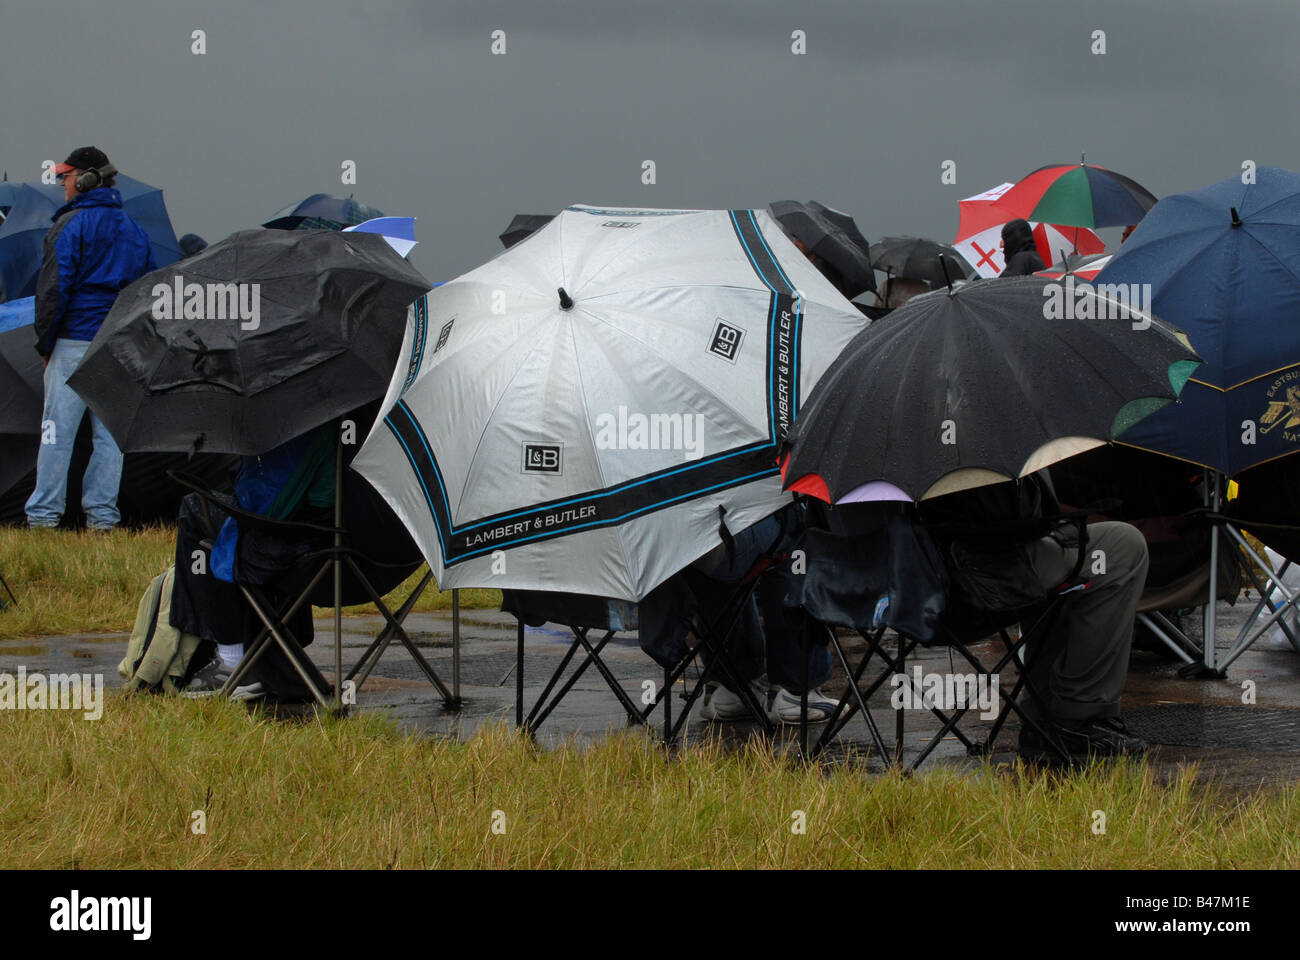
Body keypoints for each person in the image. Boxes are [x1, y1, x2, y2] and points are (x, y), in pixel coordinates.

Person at [919, 471, 1149, 761]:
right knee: (1122, 545)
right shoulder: (968, 443)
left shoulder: (865, 449)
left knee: (1055, 558)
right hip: (974, 581)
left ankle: (1045, 716)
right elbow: (1017, 518)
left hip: (900, 596)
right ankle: (1078, 718)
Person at [27, 147, 155, 530]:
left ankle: (43, 519)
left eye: (67, 177)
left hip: (71, 343)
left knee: (56, 436)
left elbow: (54, 290)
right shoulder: (136, 231)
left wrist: (45, 344)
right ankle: (102, 520)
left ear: (85, 180)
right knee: (110, 440)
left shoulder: (70, 225)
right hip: (117, 348)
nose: (63, 183)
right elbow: (146, 294)